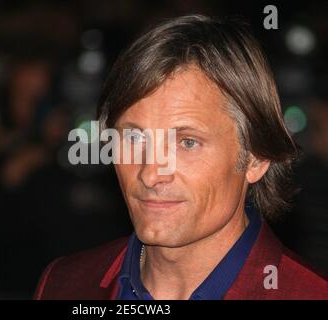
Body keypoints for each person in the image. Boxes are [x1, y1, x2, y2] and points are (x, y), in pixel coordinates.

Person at [34, 15, 328, 300]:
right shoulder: (63, 284)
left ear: (256, 158)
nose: (150, 173)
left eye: (187, 142)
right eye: (134, 138)